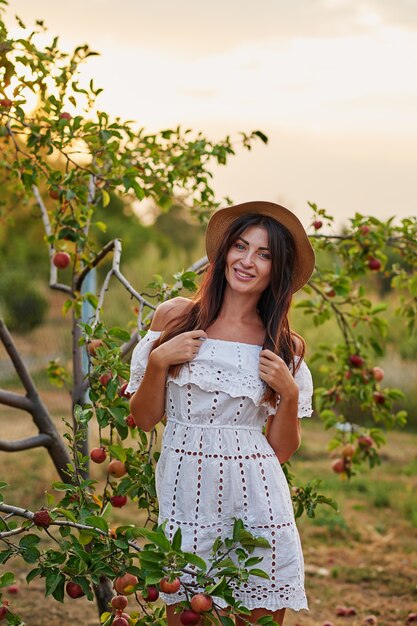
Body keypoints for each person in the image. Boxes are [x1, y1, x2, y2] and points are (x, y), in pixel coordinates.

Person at [127, 201, 315, 626]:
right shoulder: (176, 316)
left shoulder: (286, 346)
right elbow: (142, 419)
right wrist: (158, 362)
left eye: (264, 254)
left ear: (276, 269)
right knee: (186, 616)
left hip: (258, 497)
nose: (247, 262)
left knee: (258, 617)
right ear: (224, 252)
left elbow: (282, 450)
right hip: (185, 493)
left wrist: (286, 391)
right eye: (241, 246)